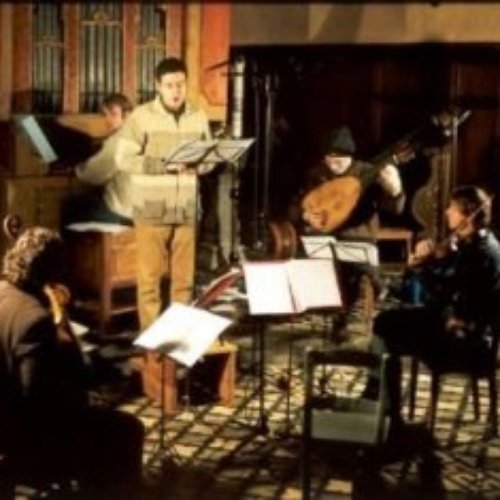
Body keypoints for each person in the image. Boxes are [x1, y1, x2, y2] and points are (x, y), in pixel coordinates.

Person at [0, 227, 145, 497]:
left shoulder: (5, 293)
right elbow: (36, 398)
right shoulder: (34, 319)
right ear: (52, 271)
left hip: (6, 423)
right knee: (129, 429)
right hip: (27, 438)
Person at [370, 185, 500, 424]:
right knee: (389, 325)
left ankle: (385, 407)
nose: (447, 212)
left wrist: (423, 266)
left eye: (452, 208)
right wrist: (427, 264)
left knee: (385, 325)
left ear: (468, 214)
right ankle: (382, 401)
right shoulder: (479, 242)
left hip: (463, 339)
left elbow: (443, 295)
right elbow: (448, 283)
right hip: (461, 326)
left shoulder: (478, 253)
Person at [114, 57, 213, 329]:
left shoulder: (198, 115)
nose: (176, 91)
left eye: (180, 84)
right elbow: (124, 160)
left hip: (187, 207)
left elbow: (209, 158)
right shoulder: (140, 116)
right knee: (150, 281)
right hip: (152, 207)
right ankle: (151, 344)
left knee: (184, 282)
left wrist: (201, 165)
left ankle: (178, 337)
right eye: (169, 85)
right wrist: (162, 165)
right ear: (157, 85)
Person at [301, 126, 406, 339]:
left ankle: (347, 314)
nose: (333, 164)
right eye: (329, 159)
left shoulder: (367, 172)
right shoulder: (317, 174)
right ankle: (371, 286)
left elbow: (394, 209)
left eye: (339, 160)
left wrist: (395, 192)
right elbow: (300, 205)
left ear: (350, 156)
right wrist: (305, 216)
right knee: (321, 259)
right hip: (325, 236)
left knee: (351, 264)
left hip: (359, 235)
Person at [62, 92, 134, 227]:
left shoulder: (119, 141)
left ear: (127, 115)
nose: (108, 120)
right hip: (138, 208)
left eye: (113, 114)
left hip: (122, 211)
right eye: (105, 115)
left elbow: (92, 175)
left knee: (69, 205)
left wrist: (77, 168)